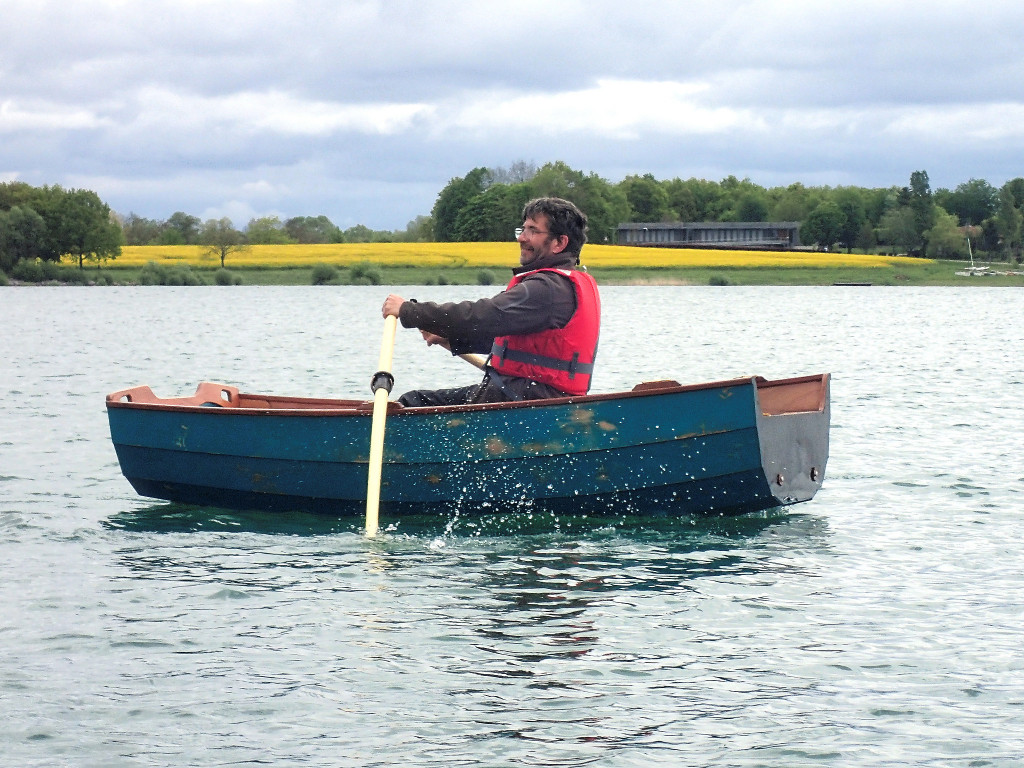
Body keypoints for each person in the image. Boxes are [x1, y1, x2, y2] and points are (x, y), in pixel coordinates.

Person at [381, 197, 600, 407]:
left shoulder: (549, 288)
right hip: (531, 395)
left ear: (559, 242)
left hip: (528, 401)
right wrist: (450, 338)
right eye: (522, 229)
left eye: (533, 230)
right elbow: (512, 343)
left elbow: (485, 315)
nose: (522, 238)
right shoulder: (558, 285)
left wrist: (409, 311)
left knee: (413, 404)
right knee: (416, 401)